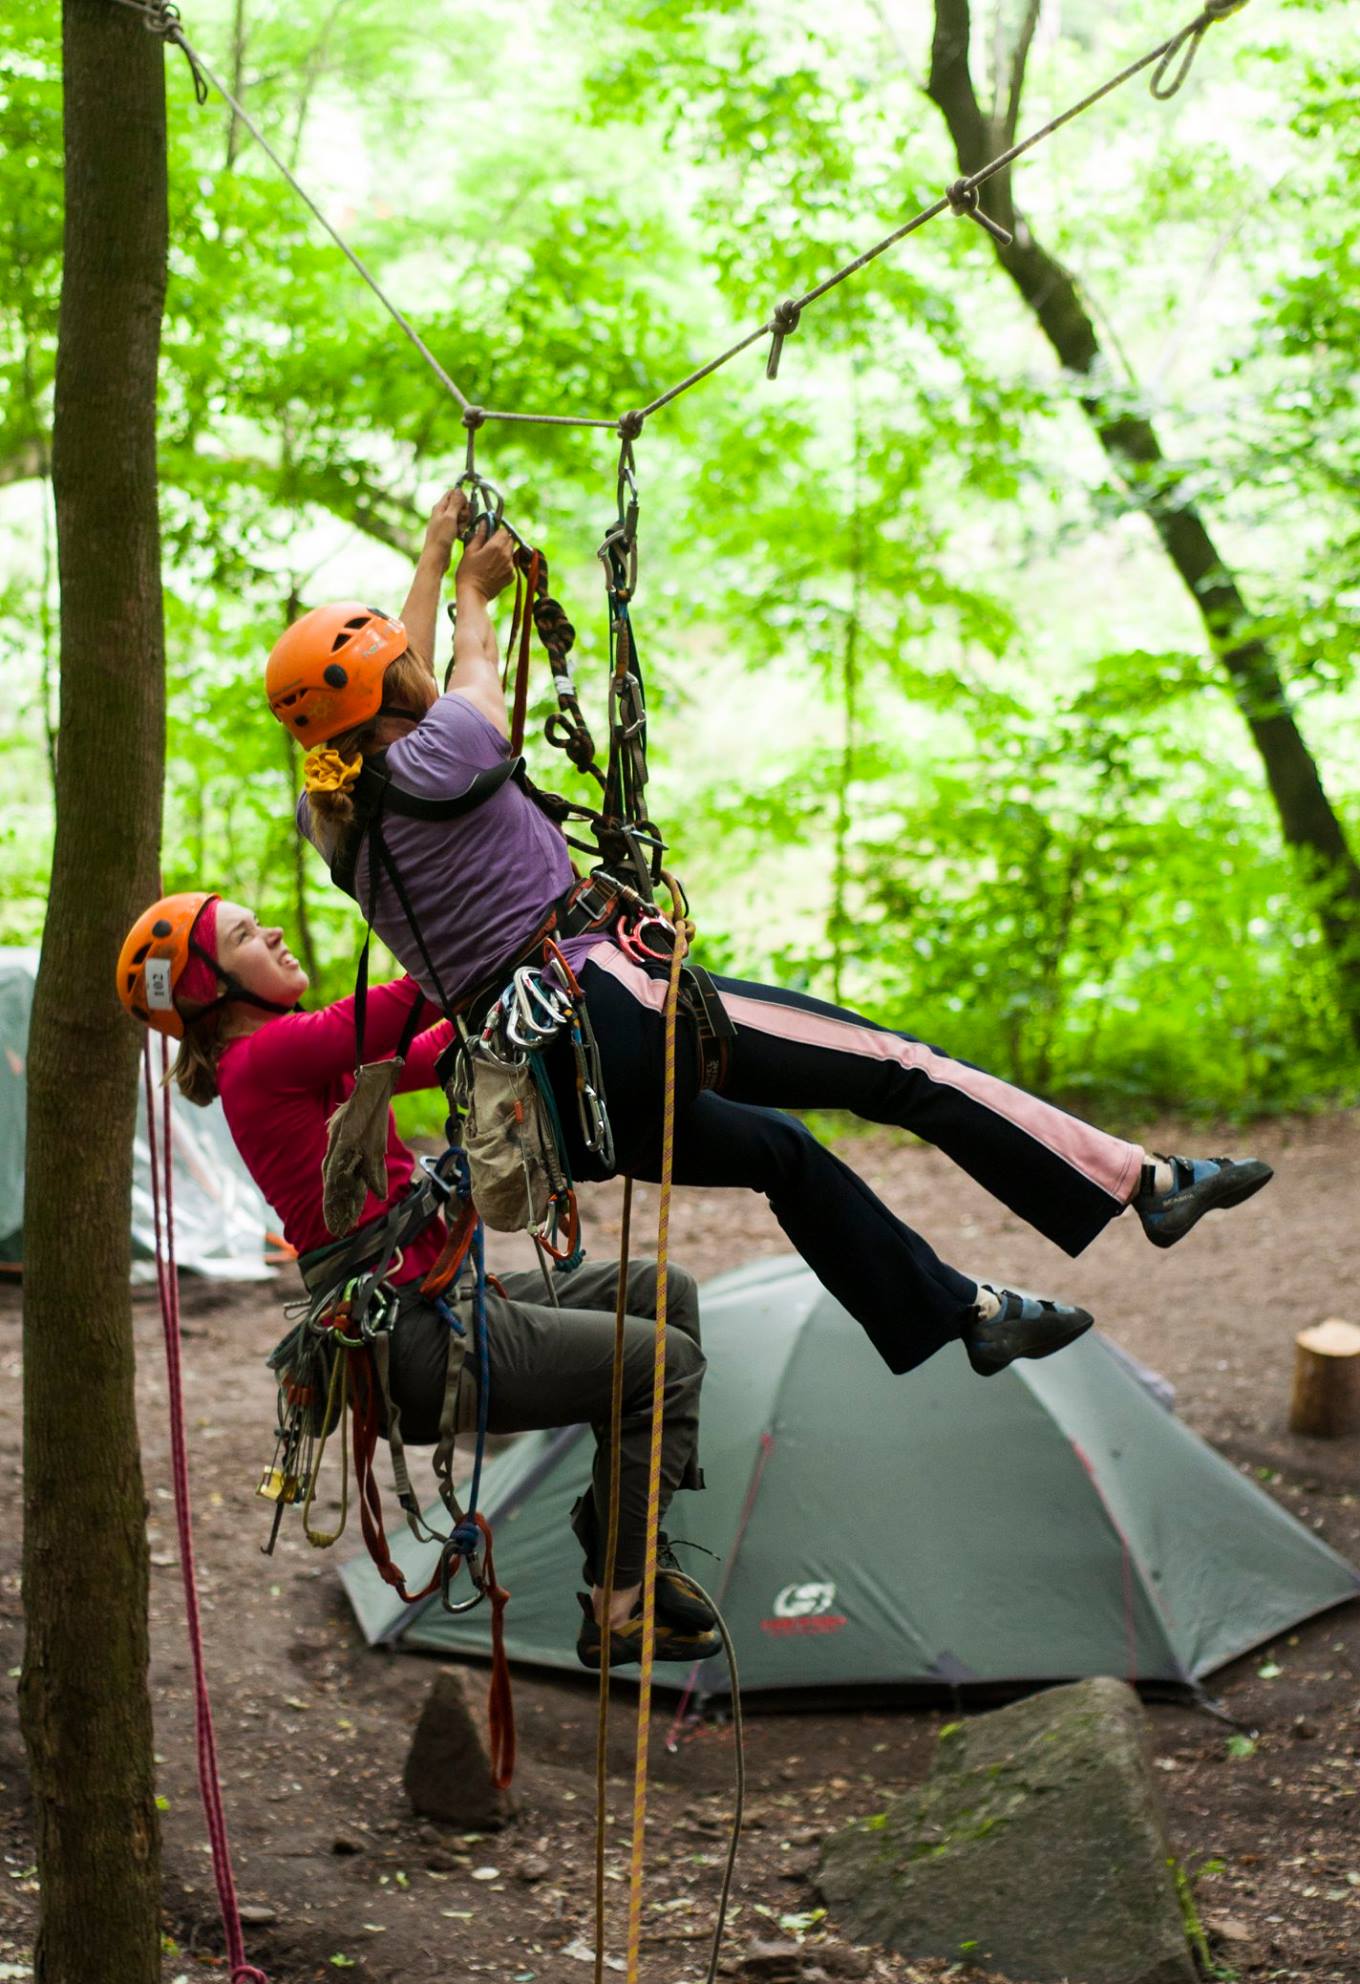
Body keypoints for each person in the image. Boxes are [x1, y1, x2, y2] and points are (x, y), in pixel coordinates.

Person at [267, 488, 1273, 1382]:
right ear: (398, 690)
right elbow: (469, 677)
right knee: (896, 1066)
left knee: (782, 1154)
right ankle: (1143, 1180)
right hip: (610, 1008)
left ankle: (965, 1312)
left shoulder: (337, 818)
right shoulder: (444, 746)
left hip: (549, 1101)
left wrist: (439, 551)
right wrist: (471, 592)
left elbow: (398, 696)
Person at [116, 889, 717, 1671]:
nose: (268, 931)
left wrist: (546, 985)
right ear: (213, 990)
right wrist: (518, 901)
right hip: (419, 1343)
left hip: (436, 1305)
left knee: (661, 1292)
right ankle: (620, 1605)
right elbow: (418, 996)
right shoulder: (264, 1058)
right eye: (244, 936)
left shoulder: (296, 1060)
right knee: (664, 1367)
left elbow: (435, 1051)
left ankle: (628, 1542)